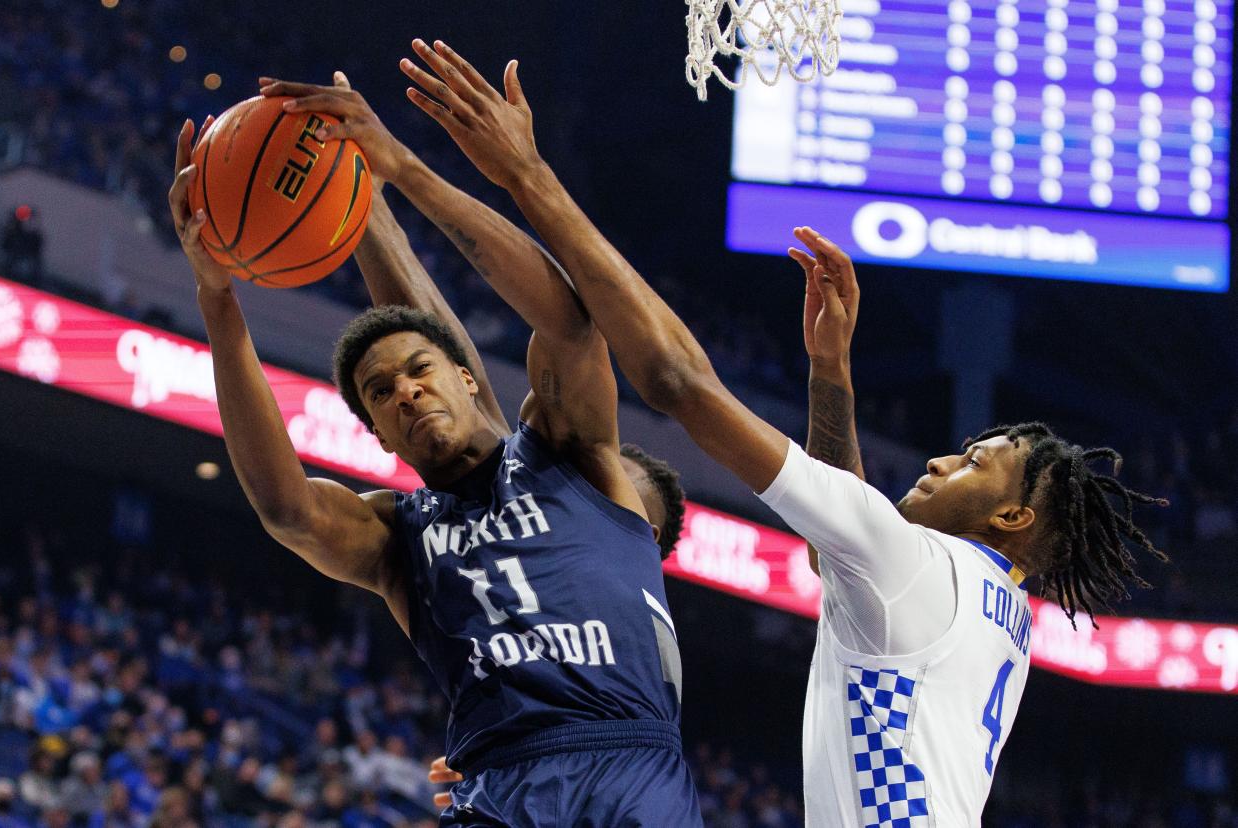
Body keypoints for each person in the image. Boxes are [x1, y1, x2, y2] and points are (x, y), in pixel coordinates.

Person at [362, 40, 1170, 826]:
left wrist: (526, 176)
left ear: (1013, 517)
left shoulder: (913, 562)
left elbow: (679, 383)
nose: (940, 459)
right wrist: (831, 376)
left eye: (973, 463)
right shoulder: (1002, 614)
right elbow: (835, 550)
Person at [168, 77, 701, 824]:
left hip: (626, 771)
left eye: (421, 373)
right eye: (381, 394)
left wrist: (399, 173)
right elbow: (287, 509)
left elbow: (570, 324)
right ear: (376, 436)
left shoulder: (568, 455)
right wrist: (218, 300)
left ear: (463, 373)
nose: (407, 393)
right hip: (497, 786)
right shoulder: (398, 536)